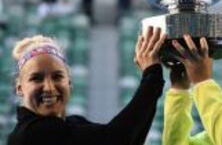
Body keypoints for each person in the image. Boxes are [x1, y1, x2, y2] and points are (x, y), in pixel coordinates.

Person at [8, 26, 167, 145]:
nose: (49, 87)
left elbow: (130, 139)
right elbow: (116, 139)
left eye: (57, 77)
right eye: (36, 78)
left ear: (69, 82)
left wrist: (152, 76)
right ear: (20, 88)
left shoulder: (73, 123)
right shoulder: (31, 134)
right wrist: (151, 75)